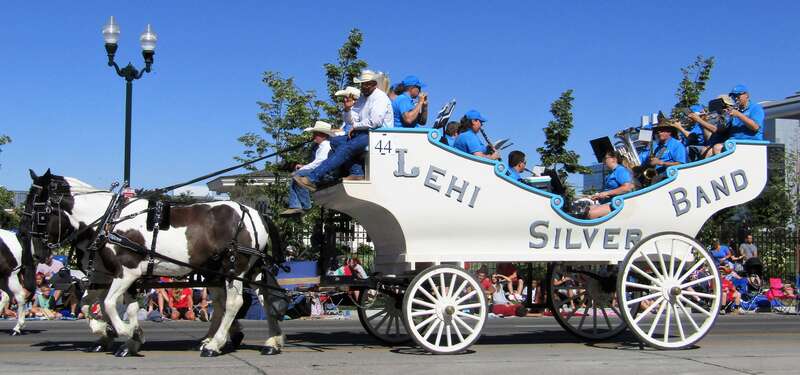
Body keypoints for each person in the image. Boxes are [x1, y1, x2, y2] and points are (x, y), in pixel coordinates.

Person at [294, 70, 393, 192]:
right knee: (335, 141)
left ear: (374, 84)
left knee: (346, 147)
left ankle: (313, 178)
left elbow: (375, 122)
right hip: (365, 133)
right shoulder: (363, 98)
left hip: (378, 134)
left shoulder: (380, 98)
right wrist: (347, 110)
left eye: (367, 84)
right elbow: (352, 120)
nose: (364, 86)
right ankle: (356, 172)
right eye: (363, 84)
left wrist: (356, 126)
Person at [281, 121, 335, 216]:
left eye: (315, 134)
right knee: (296, 177)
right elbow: (317, 163)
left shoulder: (326, 146)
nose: (313, 136)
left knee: (298, 175)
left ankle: (305, 205)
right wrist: (304, 167)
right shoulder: (321, 146)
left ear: (323, 135)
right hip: (321, 171)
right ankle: (295, 205)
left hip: (325, 173)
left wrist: (302, 169)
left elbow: (319, 163)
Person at [587, 151, 634, 219]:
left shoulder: (620, 170)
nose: (604, 161)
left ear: (614, 159)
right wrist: (599, 196)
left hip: (617, 203)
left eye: (605, 158)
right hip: (609, 202)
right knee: (585, 210)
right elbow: (609, 192)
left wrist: (607, 193)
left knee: (590, 214)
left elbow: (627, 188)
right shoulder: (610, 174)